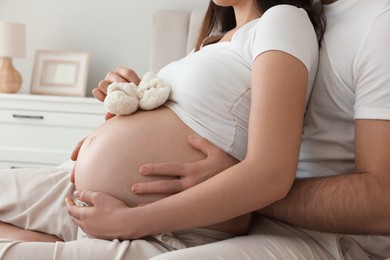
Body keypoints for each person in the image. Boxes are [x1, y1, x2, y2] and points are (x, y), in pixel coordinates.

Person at [0, 0, 324, 258]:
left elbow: (271, 173)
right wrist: (124, 109)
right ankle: (54, 241)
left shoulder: (283, 20)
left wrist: (127, 222)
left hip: (163, 225)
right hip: (77, 191)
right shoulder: (212, 43)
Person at [116, 0, 390, 259]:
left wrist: (246, 185)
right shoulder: (279, 16)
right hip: (241, 219)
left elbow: (383, 204)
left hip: (334, 240)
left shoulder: (378, 24)